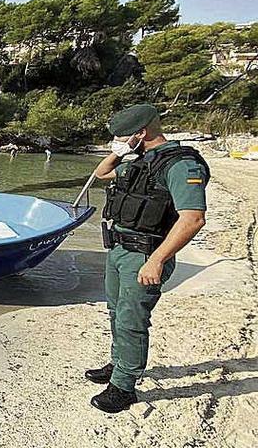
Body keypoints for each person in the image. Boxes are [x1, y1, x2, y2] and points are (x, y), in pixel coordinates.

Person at [86, 104, 210, 413]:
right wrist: (119, 151)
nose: (120, 141)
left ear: (141, 133)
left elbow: (193, 219)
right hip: (119, 249)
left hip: (145, 254)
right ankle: (118, 365)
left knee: (132, 320)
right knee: (116, 311)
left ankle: (124, 387)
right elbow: (101, 173)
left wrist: (156, 260)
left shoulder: (181, 165)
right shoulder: (141, 160)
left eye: (124, 135)